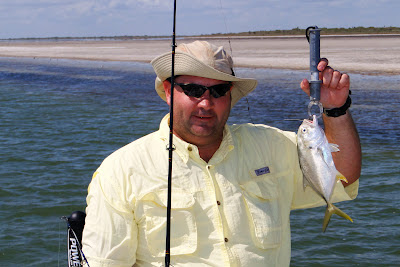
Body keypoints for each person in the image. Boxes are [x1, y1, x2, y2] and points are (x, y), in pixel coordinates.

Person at [82, 40, 361, 266]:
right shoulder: (120, 171)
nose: (206, 102)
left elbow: (342, 177)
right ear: (169, 92)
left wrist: (335, 110)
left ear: (230, 95)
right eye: (192, 89)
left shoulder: (271, 145)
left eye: (218, 91)